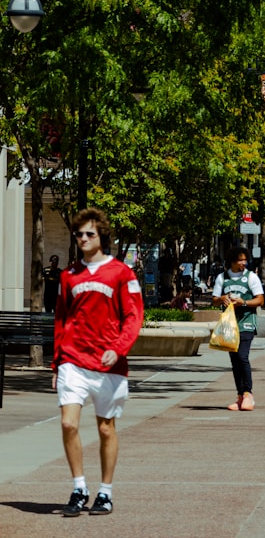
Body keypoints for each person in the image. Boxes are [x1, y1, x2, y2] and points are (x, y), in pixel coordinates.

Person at [52, 208, 144, 517]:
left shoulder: (121, 273)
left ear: (101, 235)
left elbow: (133, 317)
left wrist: (118, 349)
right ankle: (79, 487)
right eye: (79, 234)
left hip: (109, 365)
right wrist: (57, 363)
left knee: (106, 429)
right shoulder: (69, 276)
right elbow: (61, 320)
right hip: (73, 360)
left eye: (89, 234)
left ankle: (105, 492)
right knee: (68, 423)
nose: (83, 239)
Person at [212, 246, 265, 411]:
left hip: (247, 323)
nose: (244, 263)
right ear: (232, 261)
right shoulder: (222, 278)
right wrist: (222, 299)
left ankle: (249, 393)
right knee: (234, 361)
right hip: (229, 325)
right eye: (240, 260)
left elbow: (260, 299)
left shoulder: (251, 277)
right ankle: (240, 395)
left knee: (242, 357)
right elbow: (214, 300)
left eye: (245, 259)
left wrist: (244, 302)